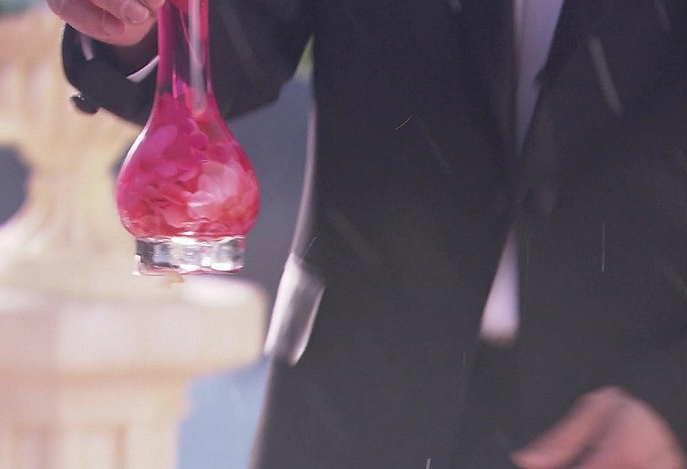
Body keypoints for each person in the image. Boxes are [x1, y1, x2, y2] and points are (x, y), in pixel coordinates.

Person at [47, 0, 687, 467]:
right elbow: (229, 36)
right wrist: (137, 20)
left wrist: (674, 403)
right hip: (351, 401)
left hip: (634, 421)